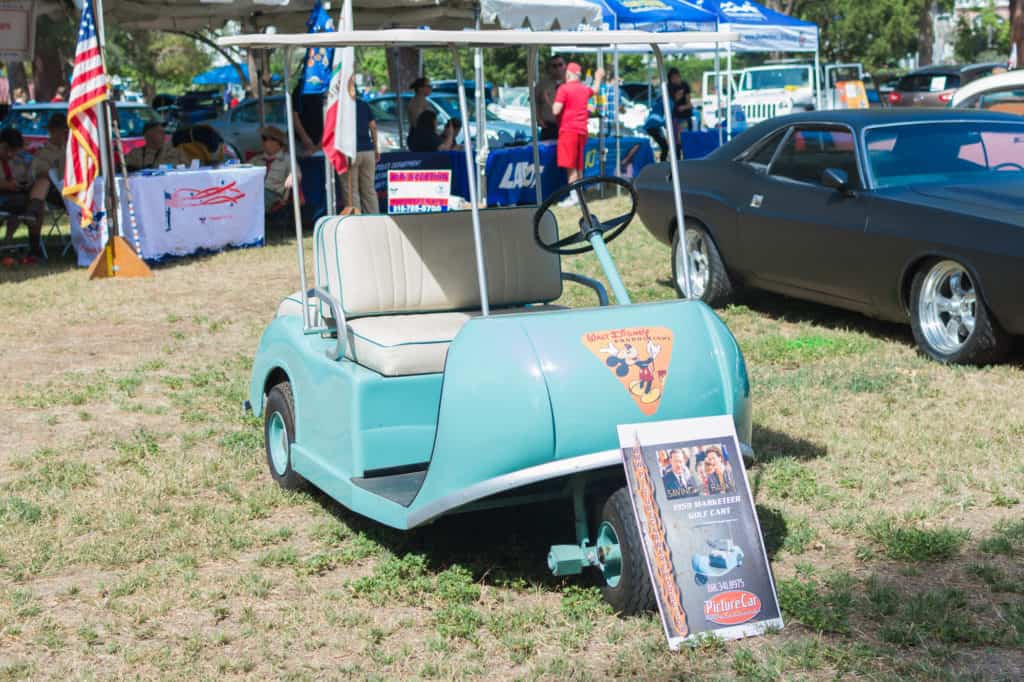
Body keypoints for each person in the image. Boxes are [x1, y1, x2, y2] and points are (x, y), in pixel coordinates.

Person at [17, 114, 68, 262]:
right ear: (52, 131)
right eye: (62, 131)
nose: (65, 134)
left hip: (77, 191)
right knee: (43, 180)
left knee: (38, 197)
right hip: (56, 192)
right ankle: (34, 243)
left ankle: (32, 212)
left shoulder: (75, 148)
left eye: (67, 130)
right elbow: (37, 172)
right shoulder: (43, 152)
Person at [552, 62, 603, 203]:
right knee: (578, 164)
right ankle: (579, 195)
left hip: (568, 130)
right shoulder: (584, 89)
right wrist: (598, 76)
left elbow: (556, 110)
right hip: (582, 131)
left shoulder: (563, 89)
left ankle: (574, 197)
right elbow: (595, 90)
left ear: (568, 73)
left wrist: (555, 103)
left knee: (570, 166)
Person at [343, 80, 380, 214]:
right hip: (368, 151)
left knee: (352, 191)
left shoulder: (341, 107)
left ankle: (356, 220)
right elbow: (373, 127)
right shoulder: (364, 105)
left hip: (350, 152)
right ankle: (374, 218)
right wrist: (376, 148)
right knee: (369, 189)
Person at [0, 128, 32, 247]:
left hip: (13, 198)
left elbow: (25, 177)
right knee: (21, 203)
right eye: (6, 149)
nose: (10, 154)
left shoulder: (19, 160)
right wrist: (7, 185)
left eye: (13, 151)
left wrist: (24, 183)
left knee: (25, 202)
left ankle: (8, 241)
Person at [259, 125, 298, 211]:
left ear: (277, 142)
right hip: (255, 192)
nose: (262, 142)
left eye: (265, 139)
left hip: (273, 194)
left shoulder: (287, 159)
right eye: (263, 139)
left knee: (258, 198)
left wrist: (292, 176)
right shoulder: (256, 159)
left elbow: (297, 174)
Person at [291, 78, 325, 156]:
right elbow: (294, 115)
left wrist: (323, 139)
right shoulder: (299, 90)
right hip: (301, 142)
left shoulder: (322, 89)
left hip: (320, 141)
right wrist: (304, 138)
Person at [535, 56, 566, 142]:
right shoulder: (543, 83)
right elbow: (534, 102)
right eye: (554, 66)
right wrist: (538, 118)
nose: (558, 68)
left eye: (560, 65)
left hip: (567, 127)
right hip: (549, 127)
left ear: (565, 66)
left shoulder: (571, 82)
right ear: (550, 68)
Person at [667, 68, 693, 137]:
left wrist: (684, 107)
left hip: (684, 116)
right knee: (675, 137)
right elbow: (674, 100)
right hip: (674, 116)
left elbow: (689, 103)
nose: (676, 79)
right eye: (673, 78)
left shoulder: (684, 85)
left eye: (677, 77)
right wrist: (680, 93)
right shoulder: (668, 87)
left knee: (684, 135)